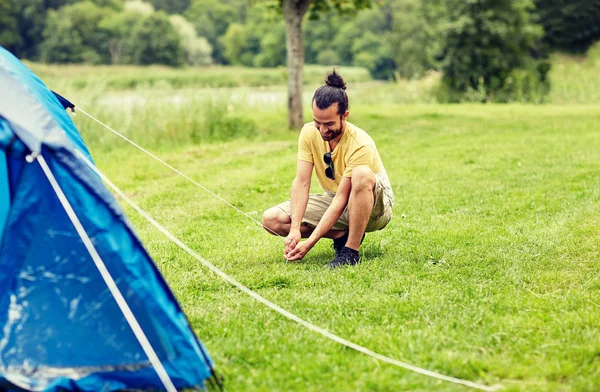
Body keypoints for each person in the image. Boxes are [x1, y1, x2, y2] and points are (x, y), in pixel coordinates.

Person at [262, 69, 394, 268]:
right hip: (337, 201)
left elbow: (343, 197)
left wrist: (309, 244)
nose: (323, 130)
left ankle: (351, 251)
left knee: (361, 174)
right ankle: (341, 234)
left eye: (329, 124)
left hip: (375, 209)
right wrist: (295, 229)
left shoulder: (360, 144)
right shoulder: (308, 133)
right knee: (272, 220)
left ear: (345, 116)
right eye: (318, 122)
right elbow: (302, 181)